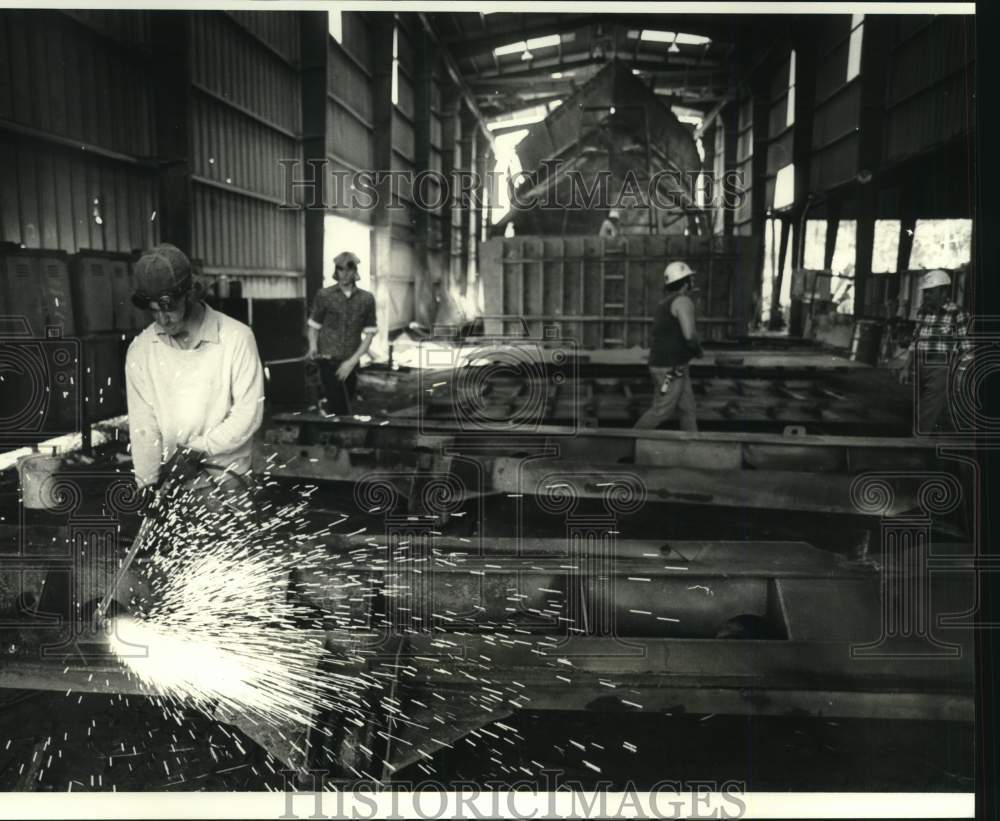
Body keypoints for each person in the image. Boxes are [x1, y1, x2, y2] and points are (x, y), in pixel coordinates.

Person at [125, 243, 265, 499]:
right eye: (153, 311)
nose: (162, 320)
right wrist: (146, 482)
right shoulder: (141, 350)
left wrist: (196, 449)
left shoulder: (236, 338)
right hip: (175, 482)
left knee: (231, 538)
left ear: (189, 294)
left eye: (168, 308)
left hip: (228, 479)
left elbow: (248, 414)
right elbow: (143, 424)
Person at [898, 269, 972, 433]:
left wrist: (962, 373)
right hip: (919, 365)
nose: (926, 296)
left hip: (941, 367)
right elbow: (915, 342)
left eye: (930, 292)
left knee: (929, 408)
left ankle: (917, 445)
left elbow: (965, 346)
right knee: (920, 406)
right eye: (925, 292)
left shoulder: (957, 314)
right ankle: (926, 441)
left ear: (944, 291)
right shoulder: (922, 312)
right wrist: (905, 367)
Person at [307, 251, 377, 415]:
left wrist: (352, 362)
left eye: (349, 269)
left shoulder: (366, 299)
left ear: (355, 271)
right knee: (337, 404)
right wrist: (312, 346)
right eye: (340, 269)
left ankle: (340, 435)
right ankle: (335, 435)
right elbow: (314, 327)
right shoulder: (324, 296)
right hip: (327, 360)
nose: (344, 274)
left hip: (351, 361)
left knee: (346, 403)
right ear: (336, 271)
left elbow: (369, 335)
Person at [634, 260, 702, 432]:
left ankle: (692, 445)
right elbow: (689, 335)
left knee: (688, 409)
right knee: (661, 411)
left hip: (674, 365)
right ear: (686, 283)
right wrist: (697, 349)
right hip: (670, 368)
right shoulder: (683, 301)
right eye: (691, 279)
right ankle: (630, 440)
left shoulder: (663, 303)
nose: (693, 283)